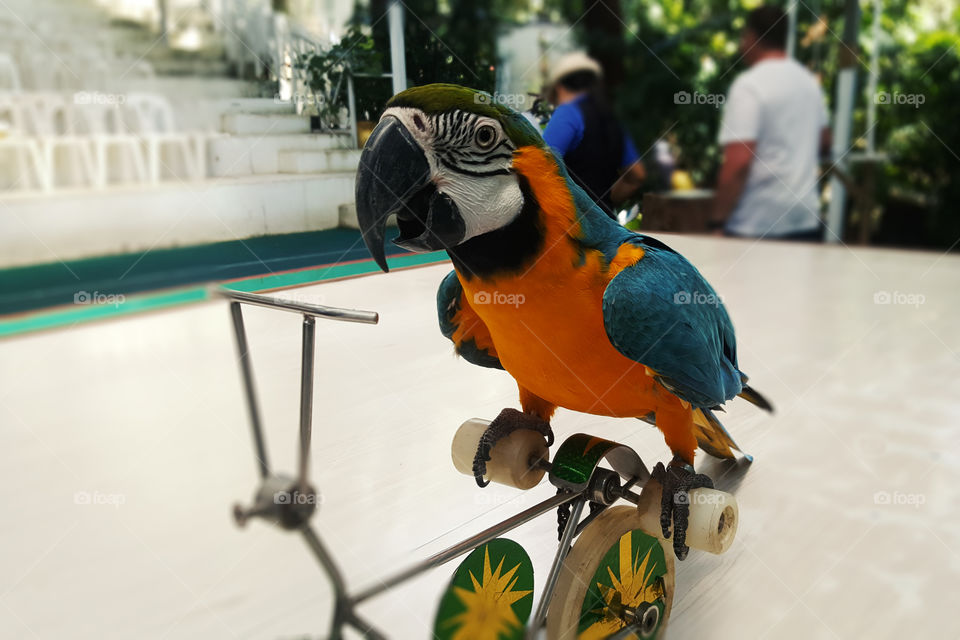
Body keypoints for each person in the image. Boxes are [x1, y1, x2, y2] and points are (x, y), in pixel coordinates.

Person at [711, 6, 831, 240]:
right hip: (804, 219)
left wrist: (717, 221)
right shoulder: (808, 83)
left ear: (752, 37)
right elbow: (825, 141)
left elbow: (739, 161)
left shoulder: (749, 85)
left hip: (756, 223)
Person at [541, 52, 646, 218]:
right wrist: (602, 203)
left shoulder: (568, 113)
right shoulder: (612, 120)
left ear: (559, 87)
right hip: (606, 228)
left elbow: (539, 169)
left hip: (570, 229)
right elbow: (636, 176)